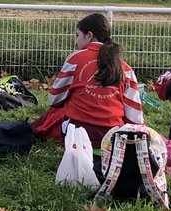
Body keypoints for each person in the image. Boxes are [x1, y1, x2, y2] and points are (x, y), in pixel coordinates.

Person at [33, 12, 144, 147]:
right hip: (113, 138)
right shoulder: (125, 69)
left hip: (77, 135)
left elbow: (54, 99)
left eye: (77, 35)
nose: (76, 41)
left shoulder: (75, 59)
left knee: (56, 114)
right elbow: (135, 117)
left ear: (89, 35)